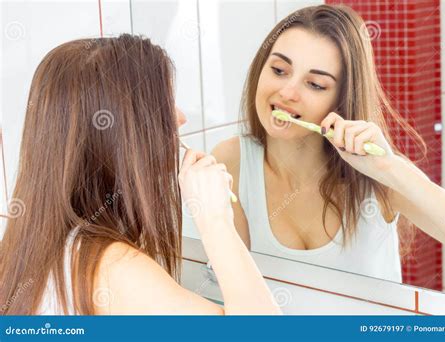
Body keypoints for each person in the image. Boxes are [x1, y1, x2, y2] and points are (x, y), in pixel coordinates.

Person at [0, 34, 281, 315]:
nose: (180, 117)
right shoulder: (113, 271)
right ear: (122, 132)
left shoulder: (20, 251)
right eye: (163, 103)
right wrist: (215, 219)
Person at [212, 4, 445, 282]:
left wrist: (391, 169)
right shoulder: (232, 162)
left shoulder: (377, 175)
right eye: (278, 70)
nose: (287, 92)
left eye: (315, 84)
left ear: (342, 99)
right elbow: (233, 290)